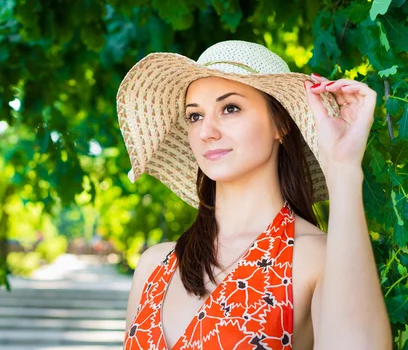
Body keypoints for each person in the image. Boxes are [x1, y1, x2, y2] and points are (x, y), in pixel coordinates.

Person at [116, 40, 391, 349]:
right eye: (195, 116)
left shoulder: (315, 258)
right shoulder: (155, 265)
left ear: (280, 123)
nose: (207, 131)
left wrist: (343, 168)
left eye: (230, 108)